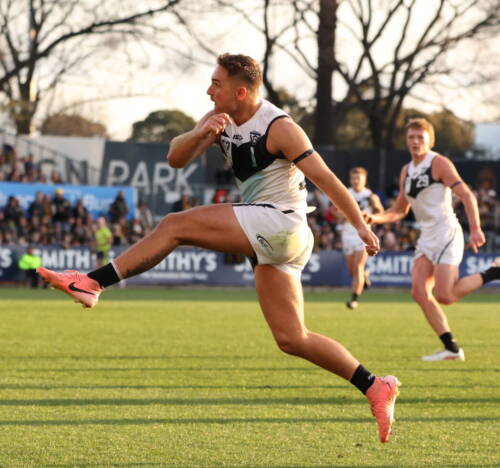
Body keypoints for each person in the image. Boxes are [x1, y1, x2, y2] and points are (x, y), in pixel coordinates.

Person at [38, 53, 400, 443]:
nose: (209, 89)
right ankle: (374, 385)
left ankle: (93, 283)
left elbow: (326, 180)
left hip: (282, 223)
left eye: (216, 84)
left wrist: (361, 225)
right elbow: (176, 159)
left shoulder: (279, 127)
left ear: (240, 91)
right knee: (292, 338)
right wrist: (201, 134)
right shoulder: (218, 118)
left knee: (175, 225)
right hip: (275, 237)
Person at [365, 118, 500, 362]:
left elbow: (467, 196)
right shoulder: (407, 170)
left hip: (446, 232)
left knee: (445, 295)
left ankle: (493, 272)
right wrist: (375, 217)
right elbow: (398, 210)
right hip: (427, 236)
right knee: (419, 292)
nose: (415, 142)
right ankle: (451, 348)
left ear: (430, 140)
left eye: (420, 137)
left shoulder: (438, 163)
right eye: (411, 137)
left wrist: (476, 229)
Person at [332, 167, 383, 309]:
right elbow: (334, 212)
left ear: (364, 180)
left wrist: (375, 210)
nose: (355, 181)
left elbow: (380, 213)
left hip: (363, 235)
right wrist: (342, 215)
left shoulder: (370, 196)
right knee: (352, 271)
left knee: (358, 266)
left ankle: (354, 300)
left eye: (358, 178)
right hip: (347, 234)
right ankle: (364, 276)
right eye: (353, 178)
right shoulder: (345, 193)